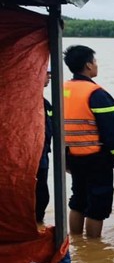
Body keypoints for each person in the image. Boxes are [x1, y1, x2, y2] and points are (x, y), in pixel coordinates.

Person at [63, 45, 114, 238]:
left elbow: (54, 127)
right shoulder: (96, 94)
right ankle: (93, 247)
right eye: (94, 61)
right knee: (97, 204)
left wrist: (64, 158)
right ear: (87, 65)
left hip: (72, 156)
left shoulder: (61, 90)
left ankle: (76, 243)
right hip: (96, 158)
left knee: (78, 199)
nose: (96, 65)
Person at [35, 68, 53, 224]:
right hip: (32, 160)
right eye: (46, 73)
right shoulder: (25, 103)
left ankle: (38, 226)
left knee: (42, 196)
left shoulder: (45, 103)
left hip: (43, 157)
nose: (50, 76)